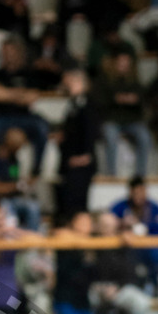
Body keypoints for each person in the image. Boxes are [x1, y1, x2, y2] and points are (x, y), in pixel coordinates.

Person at [0, 36, 48, 177]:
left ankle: (36, 170)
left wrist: (7, 94)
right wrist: (19, 94)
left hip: (24, 118)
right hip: (1, 118)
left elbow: (32, 97)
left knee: (42, 126)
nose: (7, 55)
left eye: (11, 51)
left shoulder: (29, 74)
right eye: (4, 52)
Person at [93, 51, 151, 178]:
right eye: (121, 63)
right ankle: (111, 174)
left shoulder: (135, 81)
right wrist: (116, 99)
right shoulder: (105, 80)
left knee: (145, 137)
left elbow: (143, 99)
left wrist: (133, 100)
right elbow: (99, 101)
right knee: (110, 135)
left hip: (132, 121)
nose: (123, 66)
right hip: (112, 120)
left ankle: (140, 175)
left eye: (126, 64)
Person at [55, 67, 99, 219]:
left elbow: (90, 131)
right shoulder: (73, 104)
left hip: (80, 162)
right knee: (66, 203)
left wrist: (84, 156)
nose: (68, 85)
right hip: (69, 160)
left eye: (71, 82)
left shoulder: (87, 104)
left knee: (78, 204)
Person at [0, 126, 41, 229]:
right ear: (9, 143)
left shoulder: (13, 161)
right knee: (6, 207)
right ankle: (9, 241)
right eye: (18, 145)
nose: (20, 148)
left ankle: (32, 242)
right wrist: (19, 185)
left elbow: (15, 180)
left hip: (13, 199)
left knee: (32, 206)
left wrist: (25, 184)